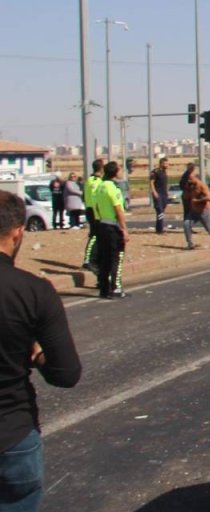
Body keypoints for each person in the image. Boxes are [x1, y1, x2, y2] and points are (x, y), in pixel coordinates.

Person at [0, 190, 81, 510]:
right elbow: (66, 374)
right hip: (12, 435)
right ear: (18, 233)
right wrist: (36, 355)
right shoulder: (33, 291)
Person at [94, 161, 129, 299]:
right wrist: (124, 229)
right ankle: (115, 288)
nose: (121, 172)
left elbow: (96, 207)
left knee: (105, 260)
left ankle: (104, 289)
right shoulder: (113, 188)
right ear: (114, 172)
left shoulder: (100, 186)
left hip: (102, 225)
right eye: (120, 169)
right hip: (113, 227)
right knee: (116, 259)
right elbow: (118, 209)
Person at [183, 166, 210, 257]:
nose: (189, 180)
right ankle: (190, 244)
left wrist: (198, 201)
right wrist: (187, 190)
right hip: (194, 211)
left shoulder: (202, 186)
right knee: (186, 224)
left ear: (195, 178)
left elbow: (209, 197)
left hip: (203, 211)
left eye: (191, 178)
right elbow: (186, 197)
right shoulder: (191, 186)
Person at [80, 159, 104, 271]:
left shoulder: (89, 180)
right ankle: (88, 260)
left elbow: (83, 196)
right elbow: (95, 198)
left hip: (91, 209)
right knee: (94, 235)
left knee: (97, 236)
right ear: (101, 168)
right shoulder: (95, 182)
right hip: (94, 210)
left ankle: (94, 259)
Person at [148, 157, 170, 234]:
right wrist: (154, 192)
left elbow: (165, 183)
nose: (167, 165)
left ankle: (158, 228)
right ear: (161, 164)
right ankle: (160, 229)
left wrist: (167, 192)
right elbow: (151, 182)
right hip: (158, 194)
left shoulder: (165, 172)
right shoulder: (156, 171)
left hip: (164, 194)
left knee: (161, 212)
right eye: (166, 163)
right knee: (160, 211)